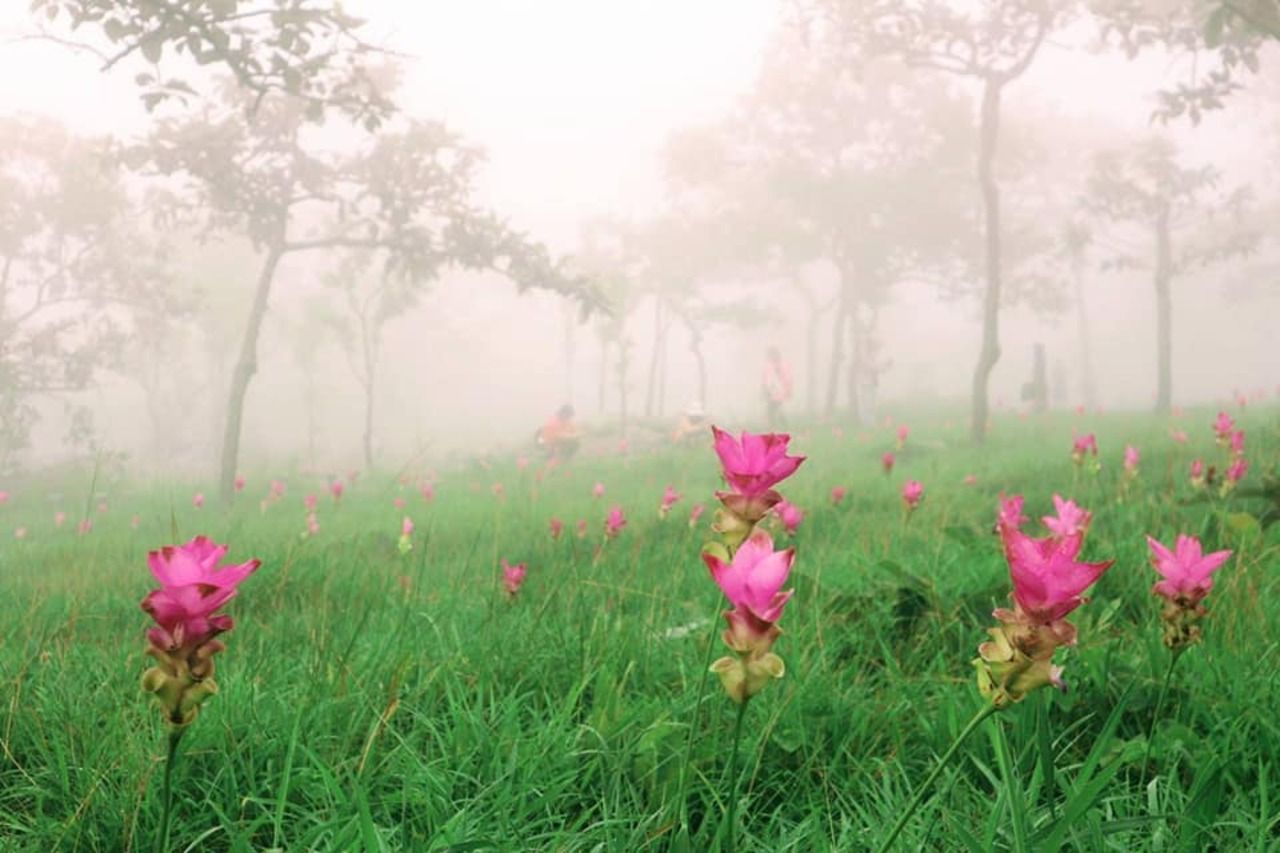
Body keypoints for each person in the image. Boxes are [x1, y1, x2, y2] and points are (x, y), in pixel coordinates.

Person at [762, 347, 793, 429]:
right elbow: (767, 379)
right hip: (772, 391)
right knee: (774, 408)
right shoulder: (770, 366)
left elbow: (786, 378)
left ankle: (777, 425)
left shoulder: (781, 366)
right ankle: (778, 424)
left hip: (778, 391)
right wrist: (766, 389)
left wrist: (788, 389)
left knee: (773, 408)